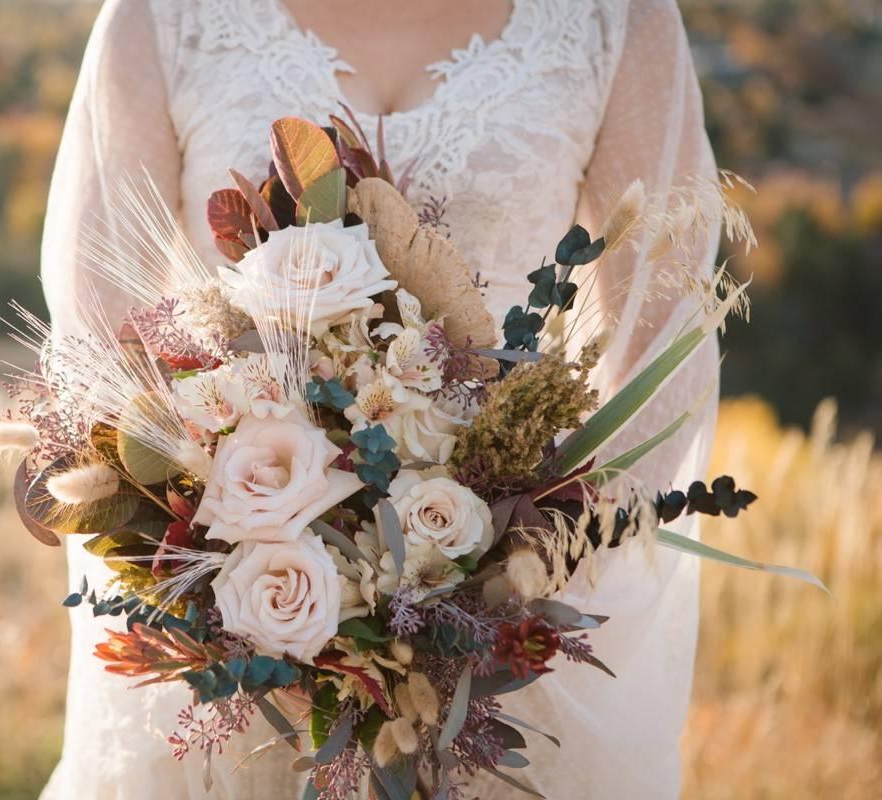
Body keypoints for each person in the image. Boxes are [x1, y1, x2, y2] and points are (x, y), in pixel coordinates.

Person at [39, 1, 720, 797]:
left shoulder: (613, 19)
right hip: (232, 624)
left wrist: (525, 572)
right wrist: (241, 598)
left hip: (508, 633)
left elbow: (667, 330)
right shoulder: (165, 17)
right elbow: (97, 332)